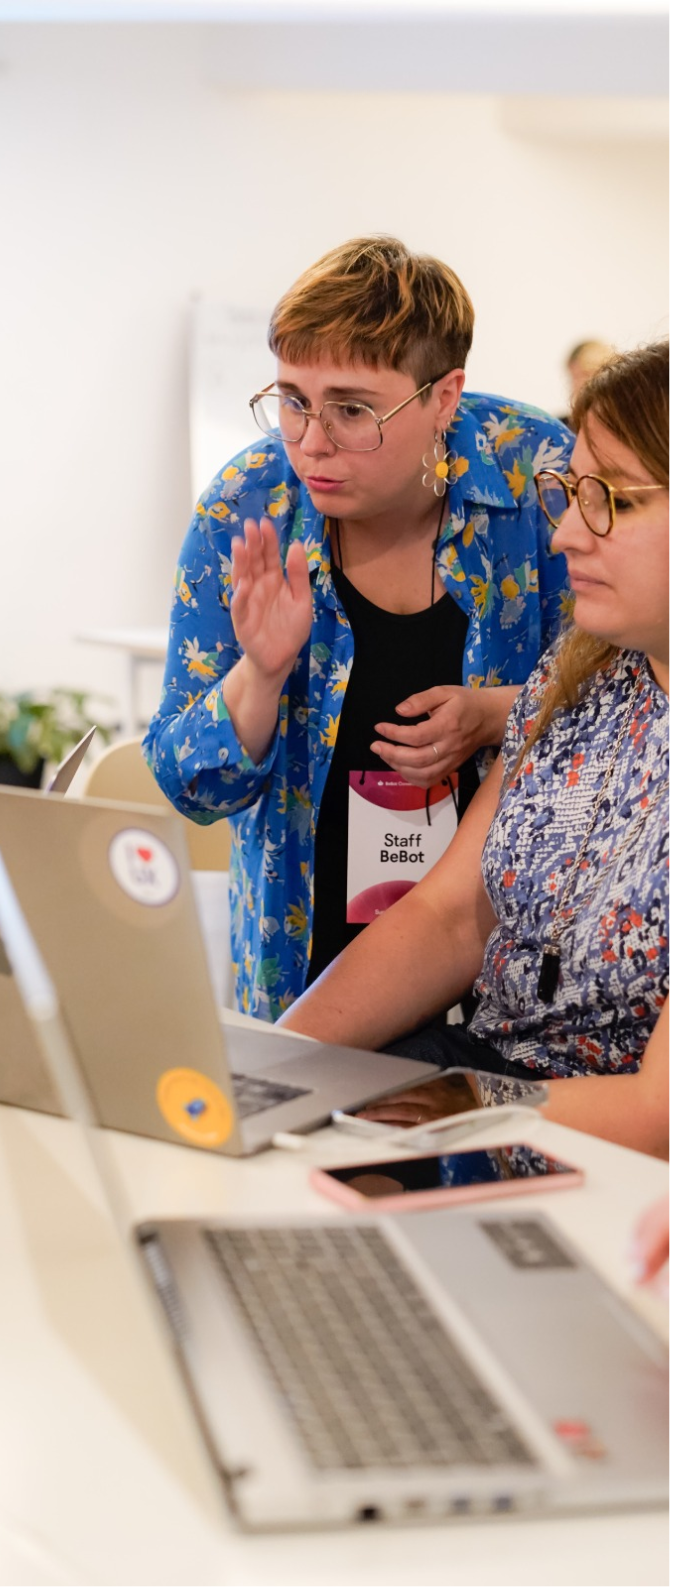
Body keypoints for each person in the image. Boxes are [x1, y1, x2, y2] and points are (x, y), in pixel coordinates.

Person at [145, 237, 573, 1019]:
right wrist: (259, 675)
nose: (311, 441)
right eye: (291, 400)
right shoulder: (249, 502)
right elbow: (190, 787)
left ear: (443, 396)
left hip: (504, 986)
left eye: (351, 410)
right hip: (302, 972)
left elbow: (625, 710)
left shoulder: (535, 474)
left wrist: (496, 714)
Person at [282, 341, 668, 1159]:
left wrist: (431, 1106)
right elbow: (450, 914)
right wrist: (278, 1064)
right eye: (569, 492)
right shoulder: (582, 676)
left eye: (611, 500)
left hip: (591, 1154)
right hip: (481, 1086)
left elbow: (654, 1113)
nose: (564, 536)